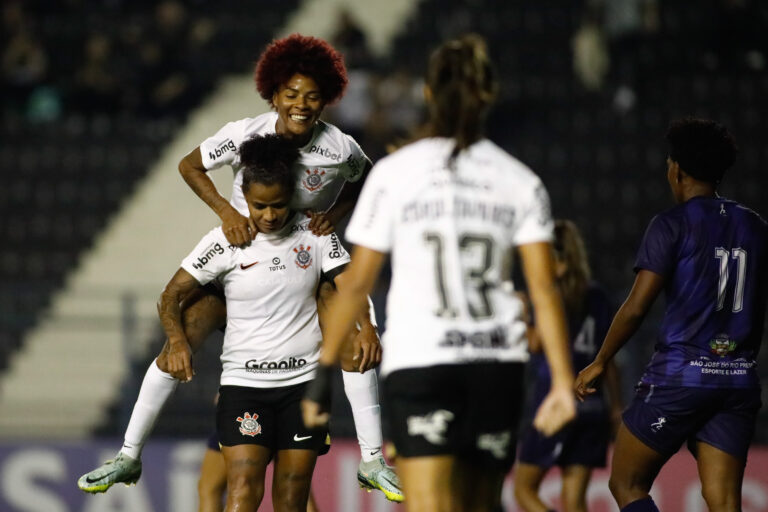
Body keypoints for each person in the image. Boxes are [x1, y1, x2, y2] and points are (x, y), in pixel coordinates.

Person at [77, 33, 402, 502]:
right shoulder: (243, 134)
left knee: (357, 338)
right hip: (239, 256)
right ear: (274, 95)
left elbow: (367, 173)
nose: (301, 104)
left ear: (326, 99)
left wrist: (336, 213)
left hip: (304, 257)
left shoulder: (340, 147)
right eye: (291, 94)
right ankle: (129, 454)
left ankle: (372, 460)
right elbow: (190, 166)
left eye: (312, 96)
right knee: (182, 334)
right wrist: (227, 214)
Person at [302, 34, 576, 512]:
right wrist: (560, 382)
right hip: (496, 364)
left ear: (427, 93)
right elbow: (543, 287)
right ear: (488, 95)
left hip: (422, 362)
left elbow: (358, 282)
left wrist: (324, 374)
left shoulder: (395, 173)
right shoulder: (519, 179)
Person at [575, 118, 768, 512]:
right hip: (737, 380)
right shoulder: (756, 227)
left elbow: (636, 308)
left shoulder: (671, 226)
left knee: (626, 482)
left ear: (676, 170)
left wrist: (601, 360)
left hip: (680, 378)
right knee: (724, 502)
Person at [163, 133, 363, 510]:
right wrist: (176, 343)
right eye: (260, 206)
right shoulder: (224, 241)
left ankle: (372, 456)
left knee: (294, 497)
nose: (269, 215)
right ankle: (129, 450)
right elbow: (170, 296)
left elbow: (351, 288)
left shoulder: (315, 236)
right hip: (245, 387)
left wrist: (367, 327)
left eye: (278, 205)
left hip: (301, 386)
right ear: (245, 197)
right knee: (240, 490)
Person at [514, 220, 623, 512]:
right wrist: (615, 408)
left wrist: (524, 313)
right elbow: (609, 361)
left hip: (554, 401)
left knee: (524, 489)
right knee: (575, 500)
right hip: (593, 405)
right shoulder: (598, 296)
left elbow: (535, 344)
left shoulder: (548, 293)